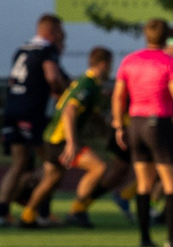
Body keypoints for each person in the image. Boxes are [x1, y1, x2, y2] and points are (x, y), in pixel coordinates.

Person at [111, 17, 173, 247]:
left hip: (136, 124)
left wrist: (118, 125)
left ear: (146, 35)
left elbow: (118, 95)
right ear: (166, 37)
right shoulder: (170, 62)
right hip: (159, 124)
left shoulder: (129, 60)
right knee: (172, 184)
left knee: (143, 184)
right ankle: (172, 239)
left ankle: (144, 239)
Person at [25, 46, 124, 229]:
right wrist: (72, 143)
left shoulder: (89, 84)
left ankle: (28, 215)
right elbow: (69, 111)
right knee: (99, 167)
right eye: (110, 65)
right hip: (61, 139)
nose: (111, 69)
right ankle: (77, 210)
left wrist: (104, 127)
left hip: (51, 137)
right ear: (103, 65)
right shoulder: (87, 84)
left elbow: (90, 113)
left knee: (52, 178)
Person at [0, 15, 66, 226]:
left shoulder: (22, 49)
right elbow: (52, 77)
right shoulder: (47, 50)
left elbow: (13, 80)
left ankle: (0, 212)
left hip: (12, 110)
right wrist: (63, 96)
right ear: (52, 32)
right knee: (54, 165)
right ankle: (41, 213)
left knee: (19, 164)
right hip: (32, 113)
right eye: (61, 32)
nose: (62, 37)